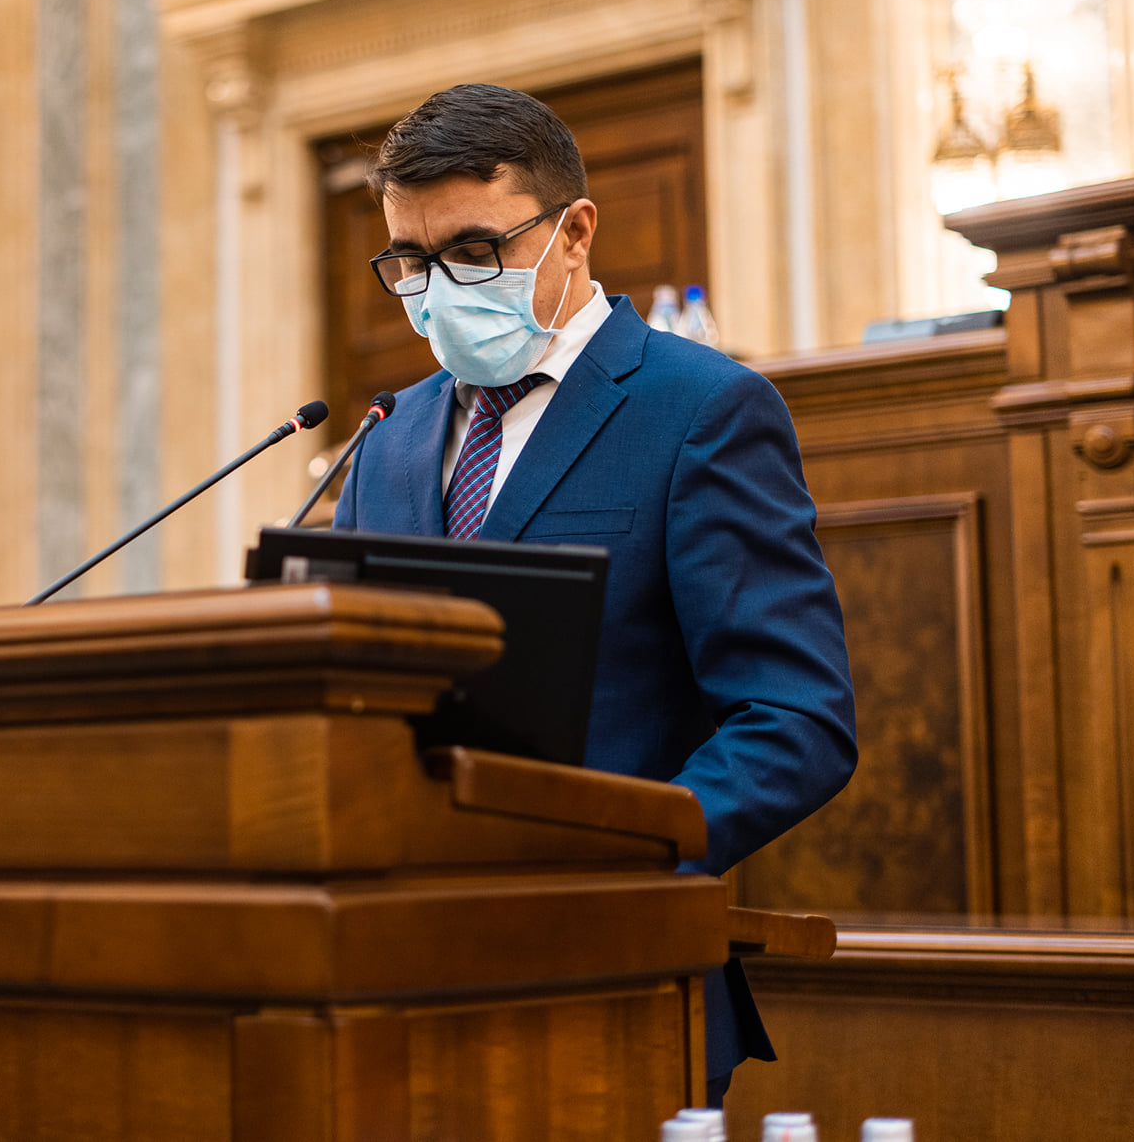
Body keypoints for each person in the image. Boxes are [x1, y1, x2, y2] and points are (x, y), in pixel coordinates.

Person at [333, 83, 857, 1106]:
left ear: (573, 232)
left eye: (474, 251)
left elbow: (794, 719)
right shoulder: (388, 436)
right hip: (395, 986)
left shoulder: (702, 408)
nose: (439, 289)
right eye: (411, 262)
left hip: (617, 979)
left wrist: (625, 859)